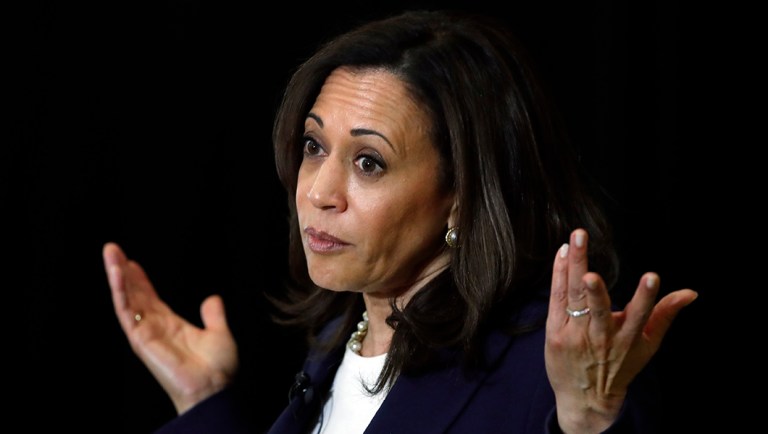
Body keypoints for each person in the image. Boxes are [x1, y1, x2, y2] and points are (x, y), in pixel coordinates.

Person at [102, 9, 697, 434]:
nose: (319, 192)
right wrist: (204, 401)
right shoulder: (337, 345)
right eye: (313, 147)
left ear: (462, 194)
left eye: (369, 162)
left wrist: (590, 423)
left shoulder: (551, 370)